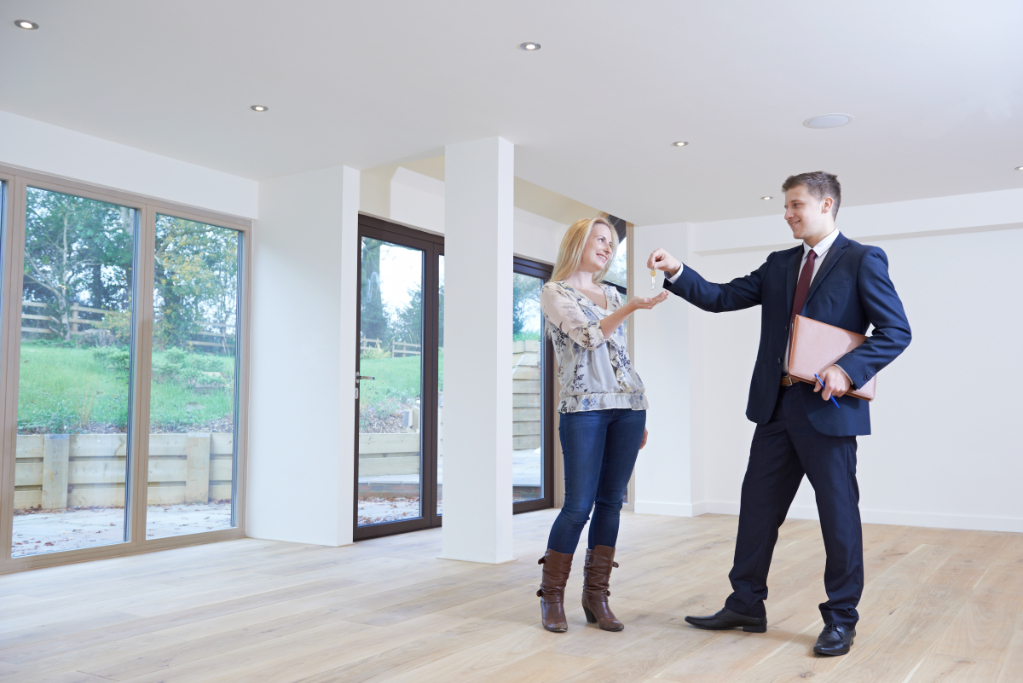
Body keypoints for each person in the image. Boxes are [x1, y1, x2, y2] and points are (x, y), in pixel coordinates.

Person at [647, 172, 910, 656]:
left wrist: (846, 371)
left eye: (795, 205)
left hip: (829, 410)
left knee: (838, 518)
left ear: (826, 204)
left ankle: (841, 618)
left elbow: (895, 331)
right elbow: (723, 298)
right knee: (757, 510)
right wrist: (678, 270)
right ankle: (746, 603)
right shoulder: (779, 264)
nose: (787, 213)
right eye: (785, 206)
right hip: (776, 407)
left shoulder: (862, 259)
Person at [536, 217, 668, 633]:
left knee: (612, 503)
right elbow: (589, 338)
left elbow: (619, 356)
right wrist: (630, 307)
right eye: (601, 239)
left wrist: (635, 406)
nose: (608, 248)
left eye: (612, 243)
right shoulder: (554, 292)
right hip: (584, 409)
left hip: (628, 407)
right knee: (578, 506)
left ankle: (596, 596)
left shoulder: (611, 292)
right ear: (578, 241)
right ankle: (552, 597)